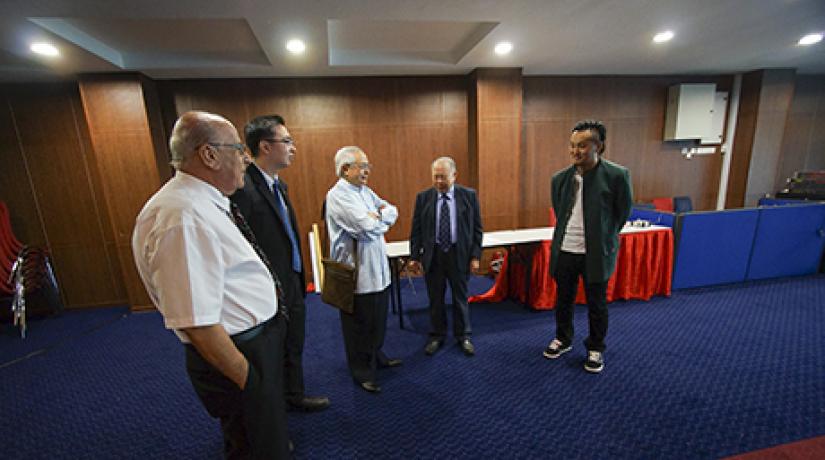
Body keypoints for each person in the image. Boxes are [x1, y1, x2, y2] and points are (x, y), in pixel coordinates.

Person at [132, 111, 291, 458]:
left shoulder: (203, 202)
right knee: (255, 445)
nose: (246, 158)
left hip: (249, 345)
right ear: (209, 154)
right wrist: (249, 379)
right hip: (236, 354)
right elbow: (196, 320)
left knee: (262, 438)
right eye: (238, 148)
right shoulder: (183, 216)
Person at [230, 115, 330, 412]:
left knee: (292, 345)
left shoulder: (279, 186)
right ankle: (273, 413)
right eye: (287, 141)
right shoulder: (244, 189)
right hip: (267, 288)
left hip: (292, 281)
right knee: (271, 354)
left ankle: (294, 396)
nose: (293, 148)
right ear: (265, 146)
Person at [542, 119, 632, 373]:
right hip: (566, 249)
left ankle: (595, 347)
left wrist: (605, 237)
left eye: (582, 146)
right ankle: (563, 338)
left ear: (599, 147)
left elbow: (621, 213)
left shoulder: (617, 176)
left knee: (597, 303)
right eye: (572, 146)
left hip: (596, 253)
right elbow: (561, 212)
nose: (575, 151)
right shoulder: (560, 179)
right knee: (563, 299)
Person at [324, 146, 402, 393]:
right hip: (357, 273)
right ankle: (361, 371)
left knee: (378, 318)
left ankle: (376, 355)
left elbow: (392, 209)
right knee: (359, 324)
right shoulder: (337, 195)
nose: (367, 171)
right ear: (346, 169)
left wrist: (378, 216)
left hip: (377, 268)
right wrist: (378, 219)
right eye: (362, 166)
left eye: (368, 166)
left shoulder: (365, 191)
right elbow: (364, 228)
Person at [408, 157, 483, 357]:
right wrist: (414, 256)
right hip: (434, 256)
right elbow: (416, 230)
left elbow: (477, 229)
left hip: (459, 255)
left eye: (443, 177)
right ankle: (437, 335)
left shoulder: (469, 196)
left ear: (454, 176)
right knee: (435, 299)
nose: (439, 181)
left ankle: (463, 336)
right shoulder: (423, 198)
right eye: (435, 177)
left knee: (460, 299)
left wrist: (475, 256)